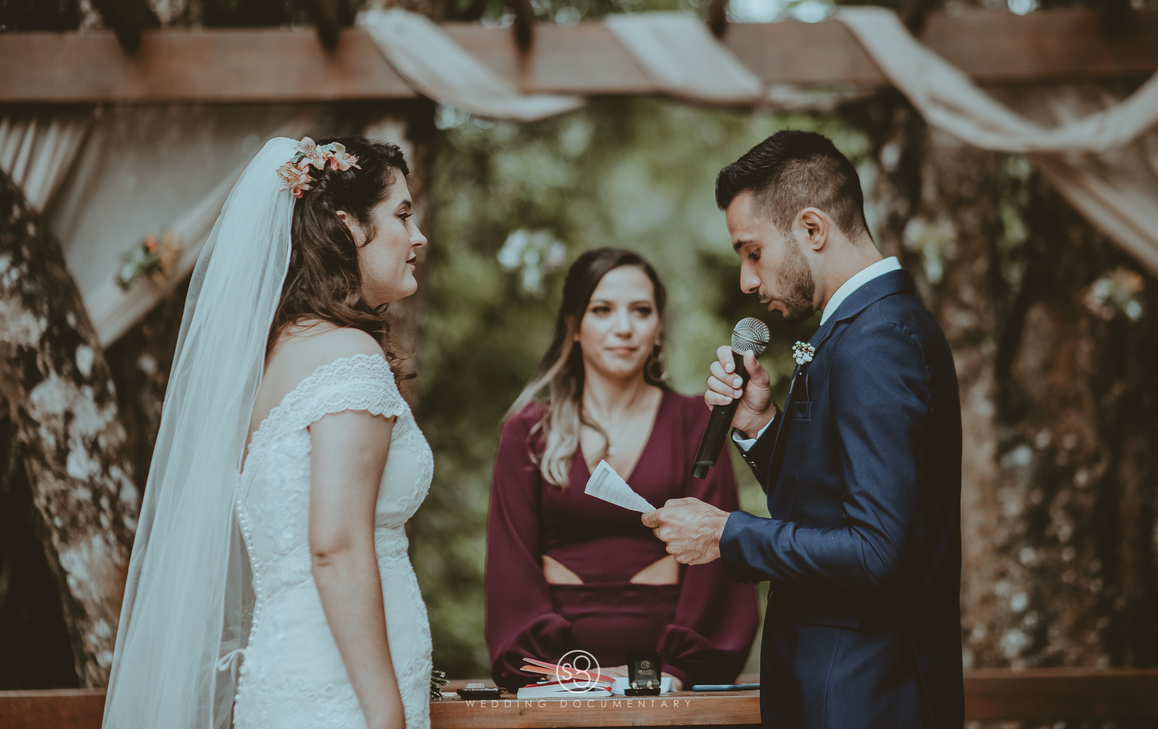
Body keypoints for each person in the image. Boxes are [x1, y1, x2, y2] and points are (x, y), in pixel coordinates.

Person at [102, 136, 433, 729]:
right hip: (347, 694)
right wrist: (385, 714)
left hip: (289, 671)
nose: (418, 238)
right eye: (402, 215)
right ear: (347, 227)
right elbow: (335, 546)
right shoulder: (348, 356)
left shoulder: (274, 360)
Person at [643, 131, 964, 728]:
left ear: (812, 229)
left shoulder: (877, 343)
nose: (746, 279)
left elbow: (877, 553)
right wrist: (762, 426)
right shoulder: (862, 330)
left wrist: (726, 533)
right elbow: (832, 509)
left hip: (864, 696)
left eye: (752, 251)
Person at [485, 248, 758, 691]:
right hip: (557, 679)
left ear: (659, 326)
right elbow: (509, 566)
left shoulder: (696, 423)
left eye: (641, 310)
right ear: (573, 326)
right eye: (602, 310)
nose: (624, 327)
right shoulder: (528, 431)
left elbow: (716, 554)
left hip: (674, 681)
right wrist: (566, 676)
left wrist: (673, 671)